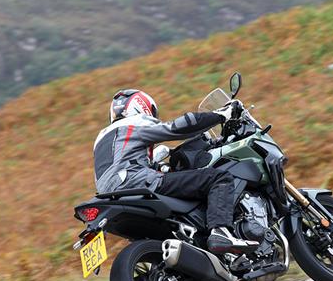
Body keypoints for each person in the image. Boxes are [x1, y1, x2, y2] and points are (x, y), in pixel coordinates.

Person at [93, 89, 256, 254]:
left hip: (107, 193)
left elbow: (120, 164)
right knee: (219, 178)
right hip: (135, 181)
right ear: (140, 106)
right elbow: (176, 128)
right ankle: (220, 232)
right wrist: (221, 115)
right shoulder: (135, 122)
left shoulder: (101, 138)